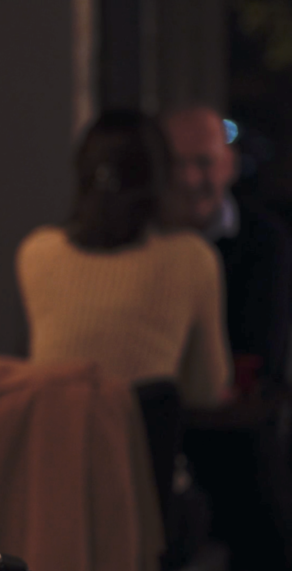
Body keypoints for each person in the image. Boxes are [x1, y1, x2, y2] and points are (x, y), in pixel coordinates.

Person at [17, 109, 231, 408]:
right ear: (161, 177)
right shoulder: (192, 258)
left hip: (54, 436)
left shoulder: (37, 251)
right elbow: (206, 390)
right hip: (140, 439)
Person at [163, 104, 292, 392]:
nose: (189, 178)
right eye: (176, 163)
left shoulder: (265, 239)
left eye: (204, 162)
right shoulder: (142, 235)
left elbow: (262, 362)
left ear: (229, 165)